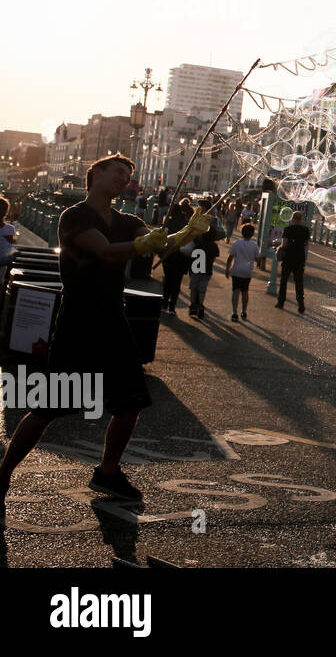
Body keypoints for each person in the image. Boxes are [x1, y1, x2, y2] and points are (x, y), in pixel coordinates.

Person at [0, 155, 207, 516]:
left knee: (131, 405)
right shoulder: (75, 216)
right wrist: (143, 245)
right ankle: (2, 473)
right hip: (79, 321)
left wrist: (187, 232)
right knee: (48, 408)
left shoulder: (129, 220)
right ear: (95, 173)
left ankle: (108, 472)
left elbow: (157, 245)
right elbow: (105, 251)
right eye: (117, 173)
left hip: (114, 318)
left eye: (127, 177)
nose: (123, 181)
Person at [160, 198, 195, 314]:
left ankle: (164, 303)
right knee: (176, 282)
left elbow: (162, 237)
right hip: (181, 257)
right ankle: (172, 307)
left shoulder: (168, 222)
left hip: (169, 255)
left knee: (167, 280)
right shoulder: (186, 223)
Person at [275, 211, 310, 313]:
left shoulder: (288, 229)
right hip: (299, 259)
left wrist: (279, 248)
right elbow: (307, 243)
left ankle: (281, 302)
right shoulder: (305, 230)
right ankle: (301, 304)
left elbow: (284, 244)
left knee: (284, 281)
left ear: (292, 218)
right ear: (301, 219)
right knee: (299, 282)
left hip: (288, 258)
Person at [225, 223, 260, 321]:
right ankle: (244, 311)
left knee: (236, 291)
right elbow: (258, 259)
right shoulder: (254, 245)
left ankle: (234, 312)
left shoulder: (237, 243)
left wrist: (227, 269)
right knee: (245, 291)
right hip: (247, 271)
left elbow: (230, 257)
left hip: (236, 270)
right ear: (252, 234)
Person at [187, 220, 219, 321]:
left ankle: (193, 305)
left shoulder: (198, 242)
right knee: (202, 288)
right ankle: (200, 305)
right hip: (207, 268)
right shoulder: (214, 246)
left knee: (193, 286)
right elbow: (213, 259)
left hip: (196, 267)